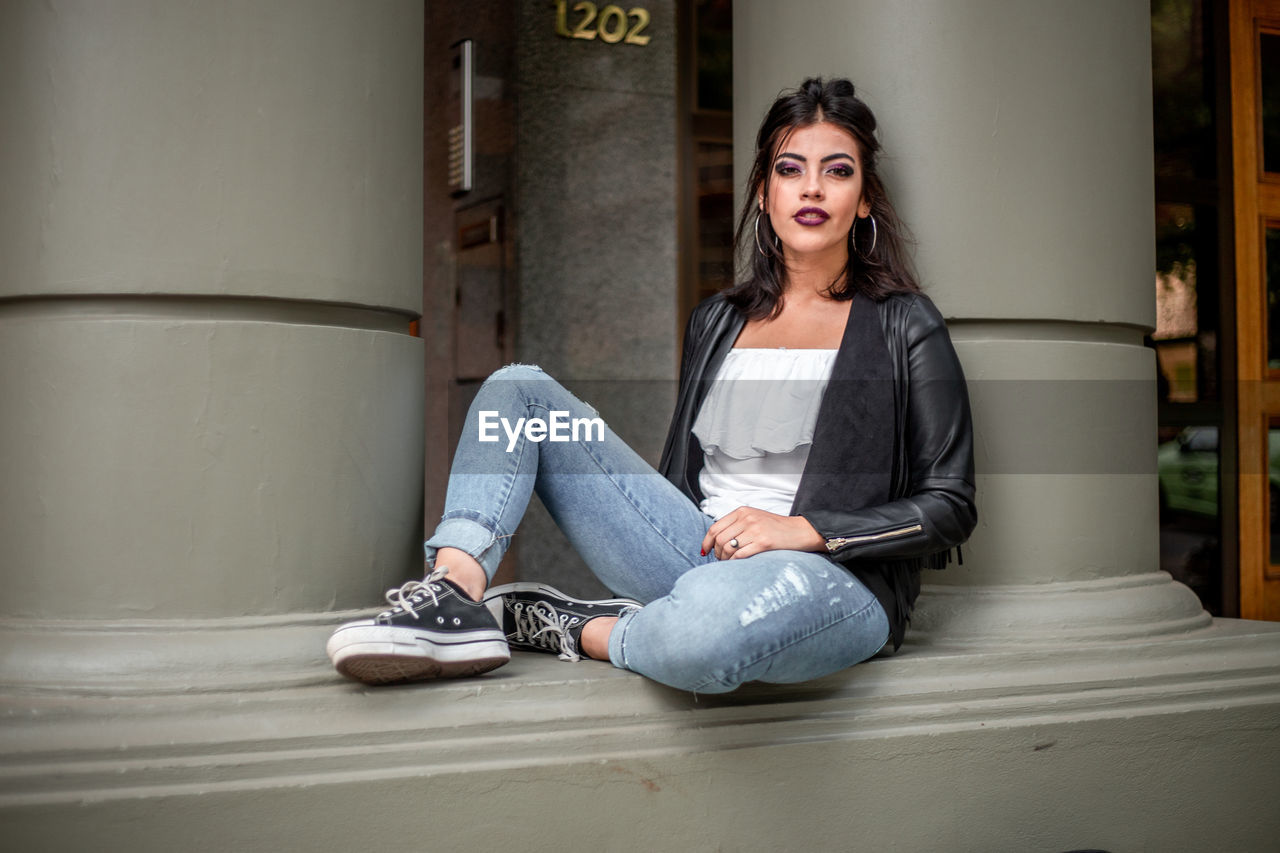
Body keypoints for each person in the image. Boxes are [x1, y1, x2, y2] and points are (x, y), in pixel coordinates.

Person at [326, 77, 976, 694]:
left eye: (837, 171)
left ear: (862, 199)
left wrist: (805, 529)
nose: (811, 188)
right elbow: (679, 478)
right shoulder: (720, 320)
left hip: (832, 580)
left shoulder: (902, 324)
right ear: (763, 194)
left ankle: (582, 626)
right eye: (788, 169)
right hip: (693, 549)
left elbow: (950, 504)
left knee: (703, 627)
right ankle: (455, 594)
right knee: (517, 393)